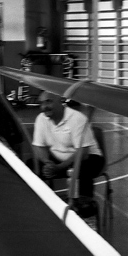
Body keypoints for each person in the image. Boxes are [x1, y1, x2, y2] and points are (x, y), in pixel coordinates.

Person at [32, 91, 104, 225]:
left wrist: (59, 167)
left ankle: (87, 215)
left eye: (48, 101)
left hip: (87, 158)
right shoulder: (41, 119)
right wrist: (47, 163)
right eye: (41, 103)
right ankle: (39, 210)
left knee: (81, 170)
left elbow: (83, 153)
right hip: (58, 160)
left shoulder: (77, 118)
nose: (44, 107)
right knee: (31, 166)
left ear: (60, 101)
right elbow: (38, 146)